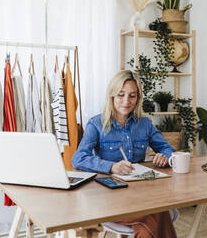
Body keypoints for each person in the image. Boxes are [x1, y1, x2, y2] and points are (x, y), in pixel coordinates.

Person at [72, 70, 177, 238]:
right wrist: (112, 167)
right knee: (159, 210)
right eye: (121, 95)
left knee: (146, 227)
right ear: (112, 96)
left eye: (132, 96)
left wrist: (165, 156)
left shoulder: (145, 124)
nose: (126, 101)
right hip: (110, 197)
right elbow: (78, 158)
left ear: (138, 98)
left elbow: (169, 149)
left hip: (140, 193)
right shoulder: (96, 124)